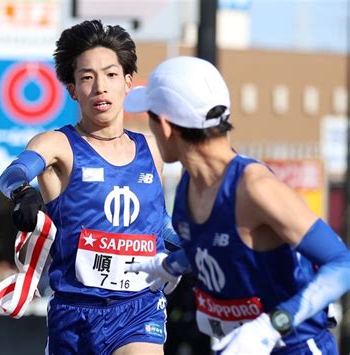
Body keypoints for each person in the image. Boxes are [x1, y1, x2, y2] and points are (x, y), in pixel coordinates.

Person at [124, 56, 350, 354]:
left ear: (165, 126)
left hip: (295, 346)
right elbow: (216, 244)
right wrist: (170, 264)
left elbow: (342, 264)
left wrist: (272, 325)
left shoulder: (255, 188)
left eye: (149, 118)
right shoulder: (189, 186)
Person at [0, 19, 181, 355]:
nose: (100, 87)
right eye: (87, 77)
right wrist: (23, 194)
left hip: (139, 309)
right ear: (72, 90)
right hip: (74, 315)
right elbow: (13, 174)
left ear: (128, 83)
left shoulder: (154, 151)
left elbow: (159, 223)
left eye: (111, 75)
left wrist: (191, 241)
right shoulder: (57, 145)